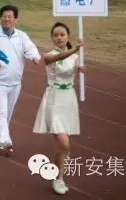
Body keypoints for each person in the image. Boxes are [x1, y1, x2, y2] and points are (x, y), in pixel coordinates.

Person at [0, 5, 41, 156]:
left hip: (15, 82)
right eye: (4, 16)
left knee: (7, 113)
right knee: (1, 112)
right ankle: (6, 141)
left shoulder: (22, 36)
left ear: (15, 19)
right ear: (0, 18)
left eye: (10, 17)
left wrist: (34, 57)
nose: (7, 19)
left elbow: (30, 49)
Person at [33, 22, 85, 196]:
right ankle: (58, 178)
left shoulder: (75, 57)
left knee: (67, 144)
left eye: (62, 34)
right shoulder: (49, 55)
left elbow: (76, 67)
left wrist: (81, 67)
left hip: (68, 99)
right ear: (52, 38)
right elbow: (59, 57)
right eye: (55, 35)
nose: (59, 38)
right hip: (53, 99)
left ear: (67, 36)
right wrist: (75, 49)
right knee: (63, 142)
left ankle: (59, 171)